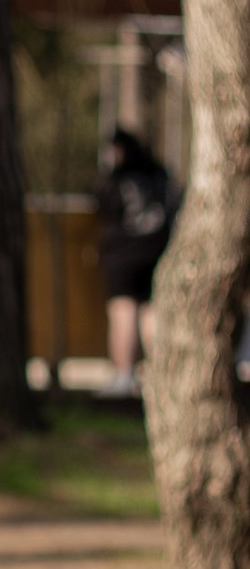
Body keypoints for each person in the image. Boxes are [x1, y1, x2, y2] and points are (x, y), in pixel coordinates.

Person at [96, 122, 174, 398]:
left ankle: (123, 375)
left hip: (123, 256)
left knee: (123, 312)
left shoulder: (118, 179)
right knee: (151, 312)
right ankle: (160, 372)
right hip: (157, 252)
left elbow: (103, 208)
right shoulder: (159, 175)